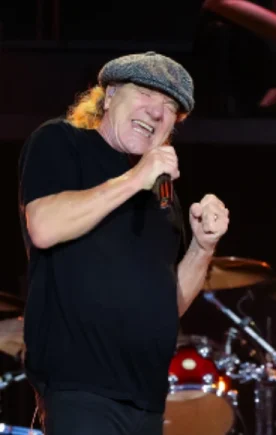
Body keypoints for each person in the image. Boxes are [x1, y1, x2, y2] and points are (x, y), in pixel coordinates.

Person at [17, 51, 230, 434]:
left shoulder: (163, 194)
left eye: (170, 108)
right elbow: (45, 226)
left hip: (146, 396)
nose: (157, 112)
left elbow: (168, 306)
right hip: (79, 389)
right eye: (146, 93)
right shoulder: (62, 141)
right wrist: (134, 179)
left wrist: (202, 247)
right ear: (110, 95)